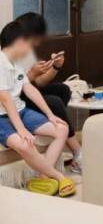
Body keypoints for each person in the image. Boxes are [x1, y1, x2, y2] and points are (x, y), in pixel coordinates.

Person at [0, 21, 76, 197]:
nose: (30, 48)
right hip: (2, 117)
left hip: (20, 110)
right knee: (25, 144)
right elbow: (5, 99)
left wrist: (50, 115)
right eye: (28, 42)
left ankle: (42, 177)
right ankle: (58, 176)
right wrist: (21, 129)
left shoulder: (15, 63)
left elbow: (30, 89)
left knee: (61, 128)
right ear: (18, 41)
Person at [15, 13, 83, 174]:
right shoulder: (10, 51)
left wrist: (55, 67)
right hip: (15, 97)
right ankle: (77, 152)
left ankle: (57, 130)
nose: (39, 41)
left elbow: (39, 83)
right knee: (54, 102)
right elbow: (13, 87)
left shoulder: (28, 51)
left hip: (27, 91)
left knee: (63, 90)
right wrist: (31, 74)